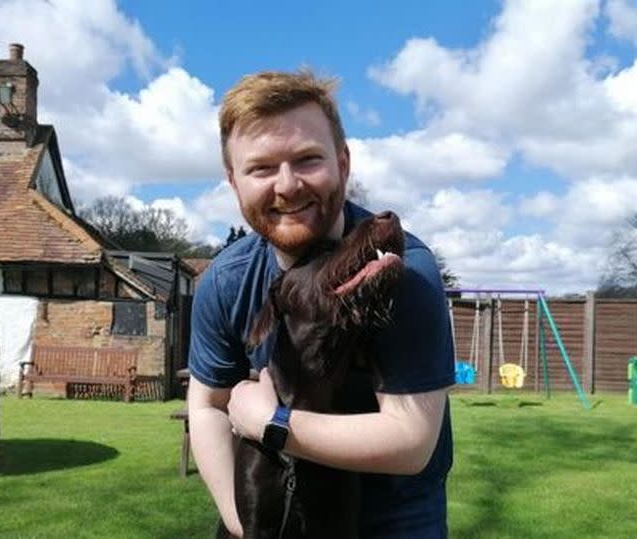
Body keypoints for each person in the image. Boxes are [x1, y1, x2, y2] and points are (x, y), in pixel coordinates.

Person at [188, 71, 455, 538]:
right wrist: (243, 523)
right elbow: (208, 405)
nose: (287, 185)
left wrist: (272, 424)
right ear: (233, 182)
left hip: (392, 521)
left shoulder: (401, 271)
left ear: (344, 163)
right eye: (261, 168)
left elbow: (411, 442)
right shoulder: (227, 282)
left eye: (307, 159)